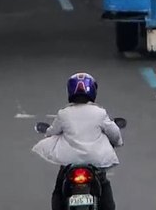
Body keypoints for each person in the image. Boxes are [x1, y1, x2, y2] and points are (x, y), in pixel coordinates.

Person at [32, 73, 122, 210]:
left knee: (58, 188)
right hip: (95, 161)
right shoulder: (100, 113)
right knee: (103, 184)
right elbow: (114, 133)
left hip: (69, 161)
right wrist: (117, 142)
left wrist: (48, 133)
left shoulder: (64, 113)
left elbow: (52, 132)